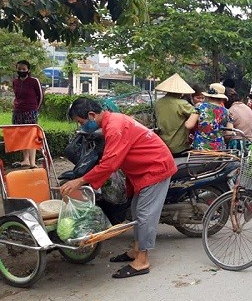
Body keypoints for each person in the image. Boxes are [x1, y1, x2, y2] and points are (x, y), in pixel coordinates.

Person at [59, 97, 177, 279]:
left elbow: (109, 164)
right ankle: (136, 251)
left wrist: (80, 180)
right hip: (145, 169)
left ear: (91, 115)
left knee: (145, 214)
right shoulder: (112, 121)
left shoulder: (114, 126)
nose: (81, 127)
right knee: (136, 211)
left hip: (155, 168)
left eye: (81, 122)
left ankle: (142, 261)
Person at [154, 73, 196, 156]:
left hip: (163, 144)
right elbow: (197, 115)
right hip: (179, 147)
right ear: (181, 92)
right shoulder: (182, 104)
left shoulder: (158, 102)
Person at [11, 60, 43, 168]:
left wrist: (35, 109)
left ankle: (33, 162)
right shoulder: (15, 82)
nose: (21, 71)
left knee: (31, 136)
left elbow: (40, 96)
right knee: (20, 135)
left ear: (28, 70)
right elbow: (16, 96)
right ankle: (25, 159)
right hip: (17, 112)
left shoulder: (34, 81)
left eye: (24, 69)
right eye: (19, 69)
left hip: (30, 112)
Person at [186, 83, 231, 151]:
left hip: (200, 147)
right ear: (222, 98)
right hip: (218, 148)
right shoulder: (227, 112)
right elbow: (229, 133)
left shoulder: (200, 107)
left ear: (208, 96)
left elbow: (189, 125)